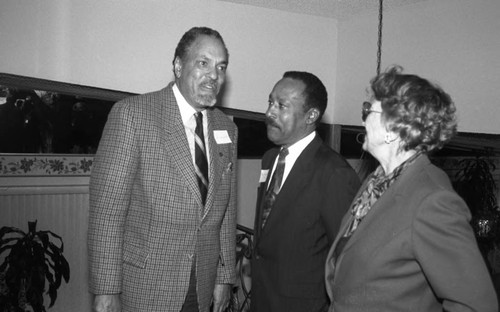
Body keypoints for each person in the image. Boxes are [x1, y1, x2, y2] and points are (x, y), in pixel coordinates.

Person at [88, 26, 237, 312]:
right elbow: (107, 213)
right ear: (179, 66)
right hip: (145, 284)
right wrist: (106, 290)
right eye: (203, 63)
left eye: (221, 67)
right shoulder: (133, 114)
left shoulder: (226, 128)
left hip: (202, 284)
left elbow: (226, 211)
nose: (214, 75)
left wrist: (225, 275)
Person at [324, 65, 498, 311]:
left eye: (368, 109)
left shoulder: (433, 201)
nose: (362, 117)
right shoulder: (378, 182)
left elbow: (475, 305)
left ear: (392, 129)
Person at [251, 71, 360, 312]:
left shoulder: (334, 174)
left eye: (282, 106)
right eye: (270, 102)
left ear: (311, 115)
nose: (270, 112)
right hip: (262, 299)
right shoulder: (270, 159)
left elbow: (347, 258)